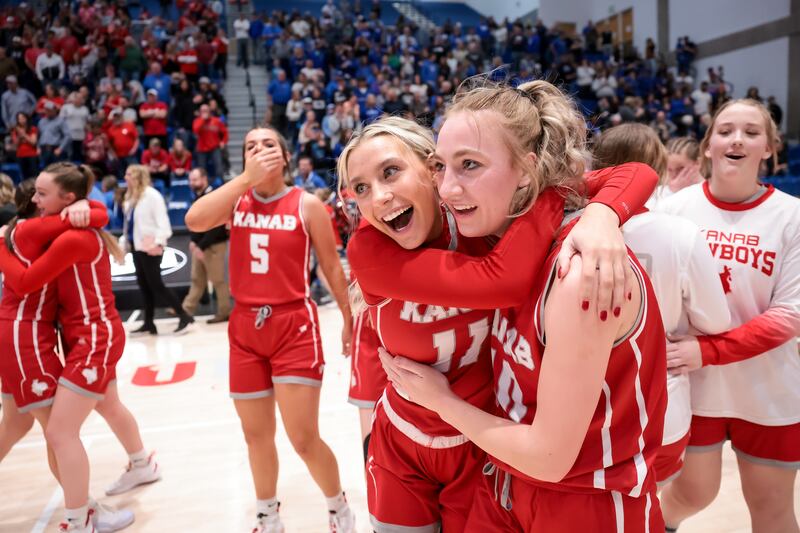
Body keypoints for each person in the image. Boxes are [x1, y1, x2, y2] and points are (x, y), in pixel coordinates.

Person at [340, 87, 658, 531]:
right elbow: (502, 280)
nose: (379, 197)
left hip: (491, 450)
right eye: (360, 188)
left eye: (391, 172)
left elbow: (634, 173)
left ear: (426, 171)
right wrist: (562, 197)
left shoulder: (484, 225)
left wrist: (602, 212)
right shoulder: (372, 250)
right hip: (415, 440)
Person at [185, 124, 357, 533]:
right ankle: (268, 514)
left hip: (292, 325)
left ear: (283, 155)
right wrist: (245, 178)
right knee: (256, 436)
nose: (258, 149)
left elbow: (332, 266)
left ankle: (338, 506)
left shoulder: (306, 205)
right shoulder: (237, 200)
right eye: (249, 146)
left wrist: (350, 320)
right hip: (245, 328)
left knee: (302, 438)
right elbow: (194, 220)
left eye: (267, 144)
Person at [658, 100, 800, 533]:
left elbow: (789, 316)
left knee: (771, 507)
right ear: (707, 147)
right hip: (693, 383)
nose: (737, 139)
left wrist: (709, 350)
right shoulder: (675, 211)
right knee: (691, 493)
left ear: (770, 150)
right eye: (725, 131)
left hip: (769, 386)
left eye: (751, 132)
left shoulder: (792, 216)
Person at [0, 165, 161, 532]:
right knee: (106, 404)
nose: (34, 201)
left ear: (68, 199)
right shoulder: (70, 226)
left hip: (92, 336)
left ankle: (79, 518)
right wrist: (92, 208)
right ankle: (140, 465)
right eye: (34, 194)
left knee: (59, 432)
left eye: (42, 194)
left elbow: (25, 280)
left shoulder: (72, 236)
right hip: (76, 335)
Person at [593, 123, 732, 487]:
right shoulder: (680, 233)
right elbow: (717, 321)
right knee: (650, 508)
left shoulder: (567, 227)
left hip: (588, 406)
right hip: (661, 404)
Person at [121, 165, 194, 335]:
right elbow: (129, 225)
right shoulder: (130, 198)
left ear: (138, 176)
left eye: (128, 174)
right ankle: (149, 323)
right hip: (136, 247)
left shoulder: (152, 196)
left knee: (156, 284)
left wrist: (159, 242)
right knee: (144, 285)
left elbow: (163, 223)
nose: (125, 177)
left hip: (151, 246)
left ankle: (184, 316)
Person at [182, 167, 230, 323]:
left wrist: (200, 246)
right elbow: (196, 222)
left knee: (218, 280)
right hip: (200, 246)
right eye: (190, 180)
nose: (192, 183)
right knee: (197, 279)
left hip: (214, 245)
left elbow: (216, 226)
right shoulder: (197, 196)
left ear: (204, 179)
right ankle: (185, 309)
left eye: (195, 179)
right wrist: (193, 241)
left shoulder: (213, 196)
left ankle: (224, 312)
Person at [192, 104, 228, 180]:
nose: (204, 112)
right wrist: (202, 120)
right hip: (202, 149)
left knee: (219, 169)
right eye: (203, 111)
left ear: (209, 111)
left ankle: (221, 184)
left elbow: (225, 132)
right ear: (200, 112)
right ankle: (203, 187)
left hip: (214, 147)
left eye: (206, 110)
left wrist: (223, 142)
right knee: (202, 171)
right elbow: (196, 130)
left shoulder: (216, 121)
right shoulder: (197, 121)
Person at [10, 112, 39, 179]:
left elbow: (33, 142)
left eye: (22, 118)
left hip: (32, 154)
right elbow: (15, 144)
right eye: (19, 119)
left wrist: (24, 134)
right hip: (20, 155)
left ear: (26, 118)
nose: (21, 120)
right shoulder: (15, 131)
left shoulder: (32, 129)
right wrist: (20, 137)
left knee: (33, 175)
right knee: (23, 175)